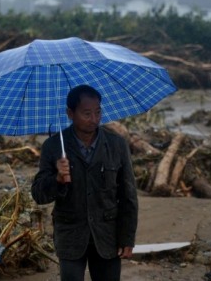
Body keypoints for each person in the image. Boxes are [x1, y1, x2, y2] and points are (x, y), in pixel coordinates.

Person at [31, 84, 138, 281]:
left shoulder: (116, 145)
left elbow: (128, 195)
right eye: (87, 113)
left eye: (98, 112)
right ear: (70, 113)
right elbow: (38, 195)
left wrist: (127, 238)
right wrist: (57, 179)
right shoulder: (53, 146)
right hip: (70, 236)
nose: (94, 119)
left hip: (107, 236)